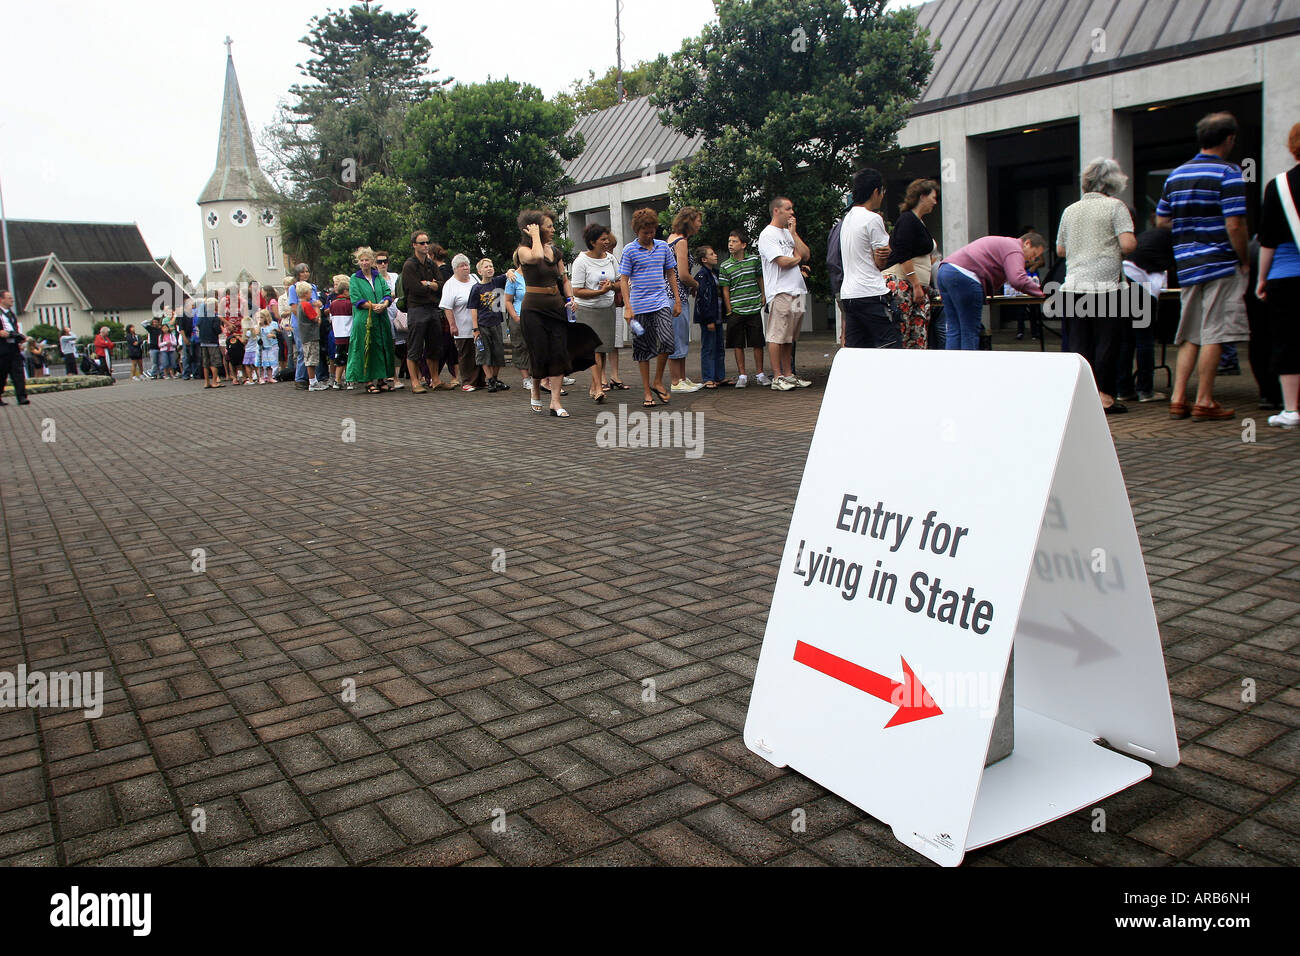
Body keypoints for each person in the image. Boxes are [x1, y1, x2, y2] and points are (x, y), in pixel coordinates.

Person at [1156, 112, 1249, 422]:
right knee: (1214, 332)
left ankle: (1178, 398)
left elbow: (1161, 220)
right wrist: (1244, 258)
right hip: (1220, 261)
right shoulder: (1229, 173)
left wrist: (1188, 234)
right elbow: (1235, 223)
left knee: (1190, 333)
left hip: (1187, 264)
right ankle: (1205, 400)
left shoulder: (1176, 175)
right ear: (1229, 139)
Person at [1056, 157, 1137, 413]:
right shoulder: (1116, 207)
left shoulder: (1070, 210)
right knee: (1107, 343)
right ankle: (1103, 396)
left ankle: (1081, 398)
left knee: (1079, 345)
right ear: (1112, 182)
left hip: (1073, 285)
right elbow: (1127, 244)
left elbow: (1060, 250)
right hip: (1106, 287)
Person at [1257, 121, 1300, 429]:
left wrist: (1261, 278)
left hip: (1286, 274)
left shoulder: (1280, 185)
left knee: (1287, 340)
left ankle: (1291, 408)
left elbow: (1267, 240)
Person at [936, 232, 1046, 350]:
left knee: (954, 329)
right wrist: (1042, 293)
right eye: (1034, 254)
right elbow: (1017, 279)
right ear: (1027, 243)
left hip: (945, 271)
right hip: (965, 276)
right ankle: (967, 367)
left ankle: (953, 366)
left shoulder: (1005, 243)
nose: (1033, 259)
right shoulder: (1015, 249)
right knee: (969, 331)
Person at [518, 208, 579, 416]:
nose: (553, 230)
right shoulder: (523, 251)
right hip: (533, 309)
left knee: (559, 352)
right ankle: (535, 388)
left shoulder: (555, 251)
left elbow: (564, 278)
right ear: (533, 228)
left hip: (555, 306)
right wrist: (534, 237)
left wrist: (570, 298)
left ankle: (555, 401)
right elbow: (536, 257)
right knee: (540, 352)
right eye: (548, 226)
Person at [619, 207, 682, 408]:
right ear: (637, 231)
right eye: (645, 232)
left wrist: (677, 300)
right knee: (643, 350)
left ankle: (658, 380)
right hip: (638, 306)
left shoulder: (663, 247)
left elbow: (671, 273)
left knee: (667, 341)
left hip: (661, 302)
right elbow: (624, 279)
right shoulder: (629, 250)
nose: (649, 235)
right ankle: (647, 391)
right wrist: (627, 307)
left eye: (652, 231)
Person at [1118, 215, 1175, 404]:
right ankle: (1145, 390)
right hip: (1141, 283)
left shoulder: (1151, 235)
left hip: (1125, 277)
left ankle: (1124, 389)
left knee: (1126, 339)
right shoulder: (1174, 238)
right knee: (1144, 339)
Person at [840, 168, 898, 349]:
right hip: (871, 292)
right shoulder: (873, 219)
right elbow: (880, 261)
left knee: (857, 350)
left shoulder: (846, 220)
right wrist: (887, 251)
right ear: (876, 191)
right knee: (890, 345)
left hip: (849, 294)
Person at [758, 197, 812, 388]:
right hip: (780, 291)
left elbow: (805, 253)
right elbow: (782, 261)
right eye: (788, 209)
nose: (792, 213)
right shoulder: (767, 235)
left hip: (797, 289)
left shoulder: (789, 234)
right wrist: (797, 259)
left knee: (790, 336)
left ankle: (789, 374)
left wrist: (794, 234)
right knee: (776, 335)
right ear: (776, 211)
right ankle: (777, 376)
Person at [883, 178, 940, 349]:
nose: (935, 202)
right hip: (904, 285)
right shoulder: (907, 220)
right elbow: (903, 253)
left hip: (916, 287)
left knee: (916, 334)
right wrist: (915, 284)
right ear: (922, 196)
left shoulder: (918, 222)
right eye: (933, 197)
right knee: (903, 331)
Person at [572, 224, 621, 399]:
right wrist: (598, 292)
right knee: (594, 350)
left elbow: (619, 282)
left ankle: (594, 387)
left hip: (606, 308)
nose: (607, 242)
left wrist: (611, 287)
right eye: (603, 239)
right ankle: (599, 387)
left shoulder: (610, 259)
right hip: (587, 310)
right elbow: (576, 291)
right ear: (592, 242)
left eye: (607, 238)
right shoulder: (581, 261)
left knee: (603, 348)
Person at [719, 230, 768, 388]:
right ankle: (742, 375)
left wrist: (763, 294)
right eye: (729, 241)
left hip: (753, 308)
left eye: (734, 241)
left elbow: (759, 277)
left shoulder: (754, 260)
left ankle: (760, 373)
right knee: (738, 343)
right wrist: (729, 309)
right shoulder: (725, 266)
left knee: (757, 342)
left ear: (744, 245)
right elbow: (725, 289)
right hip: (736, 309)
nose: (730, 245)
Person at [346, 247, 395, 393]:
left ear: (372, 261)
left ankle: (382, 379)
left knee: (382, 346)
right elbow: (356, 299)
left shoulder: (378, 276)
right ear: (358, 262)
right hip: (364, 318)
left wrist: (384, 304)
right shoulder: (355, 278)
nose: (365, 263)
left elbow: (387, 292)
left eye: (367, 259)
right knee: (366, 347)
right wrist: (373, 306)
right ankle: (367, 380)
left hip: (381, 317)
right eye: (362, 260)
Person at [666, 207, 705, 392]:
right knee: (677, 336)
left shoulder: (672, 239)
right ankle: (676, 381)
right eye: (698, 220)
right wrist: (696, 284)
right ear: (689, 221)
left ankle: (681, 377)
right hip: (676, 296)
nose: (700, 224)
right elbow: (683, 274)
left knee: (680, 336)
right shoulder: (681, 242)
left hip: (673, 295)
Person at [401, 230, 442, 394]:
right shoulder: (409, 265)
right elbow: (415, 288)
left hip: (432, 309)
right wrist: (430, 286)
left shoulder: (431, 264)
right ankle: (415, 382)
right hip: (416, 309)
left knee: (434, 346)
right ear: (414, 245)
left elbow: (441, 284)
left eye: (427, 243)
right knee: (415, 347)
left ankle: (435, 380)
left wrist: (431, 285)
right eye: (422, 243)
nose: (426, 246)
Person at [469, 258, 511, 393]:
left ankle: (495, 378)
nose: (489, 269)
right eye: (486, 267)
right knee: (484, 353)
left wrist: (510, 272)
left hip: (496, 323)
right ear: (480, 271)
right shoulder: (476, 288)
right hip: (483, 325)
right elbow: (473, 309)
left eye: (491, 266)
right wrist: (475, 329)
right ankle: (490, 380)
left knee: (498, 353)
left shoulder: (497, 282)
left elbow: (510, 272)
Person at [441, 255, 482, 391]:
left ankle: (480, 380)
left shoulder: (475, 278)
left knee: (480, 352)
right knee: (466, 354)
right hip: (462, 326)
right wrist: (452, 325)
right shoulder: (450, 284)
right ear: (455, 269)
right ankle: (467, 381)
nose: (465, 268)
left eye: (466, 265)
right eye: (461, 266)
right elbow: (447, 307)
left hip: (478, 325)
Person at [693, 245, 728, 386]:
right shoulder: (703, 275)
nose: (715, 256)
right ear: (704, 259)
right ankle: (708, 377)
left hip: (718, 315)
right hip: (709, 317)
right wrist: (708, 319)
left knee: (719, 346)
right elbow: (703, 298)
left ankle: (719, 376)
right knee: (708, 347)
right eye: (712, 254)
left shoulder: (716, 273)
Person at [287, 264, 322, 390]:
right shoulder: (293, 288)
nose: (305, 274)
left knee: (313, 351)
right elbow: (294, 306)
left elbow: (317, 303)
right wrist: (305, 318)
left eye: (307, 271)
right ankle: (300, 378)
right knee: (303, 350)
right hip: (301, 323)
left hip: (313, 320)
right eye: (302, 272)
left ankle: (313, 377)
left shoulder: (312, 287)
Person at [503, 252, 531, 391]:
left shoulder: (533, 274)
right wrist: (515, 317)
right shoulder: (513, 278)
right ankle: (526, 378)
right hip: (519, 315)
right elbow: (507, 300)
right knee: (520, 346)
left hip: (534, 316)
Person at [292, 280, 326, 390]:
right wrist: (317, 307)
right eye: (310, 292)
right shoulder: (306, 305)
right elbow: (316, 319)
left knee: (309, 358)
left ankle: (313, 380)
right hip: (311, 335)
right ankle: (312, 382)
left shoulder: (300, 305)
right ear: (306, 293)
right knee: (311, 359)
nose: (311, 294)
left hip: (306, 336)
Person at [0, 290, 29, 404]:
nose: (12, 300)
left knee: (18, 372)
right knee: (1, 374)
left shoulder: (11, 314)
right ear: (1, 299)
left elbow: (14, 328)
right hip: (2, 348)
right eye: (9, 298)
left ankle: (22, 397)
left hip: (13, 347)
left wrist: (19, 338)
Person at [197, 297, 224, 388]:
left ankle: (206, 382)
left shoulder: (201, 316)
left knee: (205, 363)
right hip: (212, 341)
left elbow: (198, 326)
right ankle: (215, 381)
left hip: (203, 341)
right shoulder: (214, 317)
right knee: (214, 362)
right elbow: (217, 330)